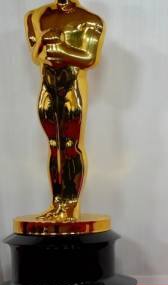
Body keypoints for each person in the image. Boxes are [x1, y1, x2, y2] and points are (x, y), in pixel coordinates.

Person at [25, 0, 105, 221]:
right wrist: (44, 44)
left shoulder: (89, 21)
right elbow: (36, 56)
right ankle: (57, 203)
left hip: (72, 85)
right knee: (53, 146)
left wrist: (61, 49)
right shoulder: (37, 16)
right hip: (48, 85)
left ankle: (71, 205)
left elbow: (89, 59)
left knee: (70, 146)